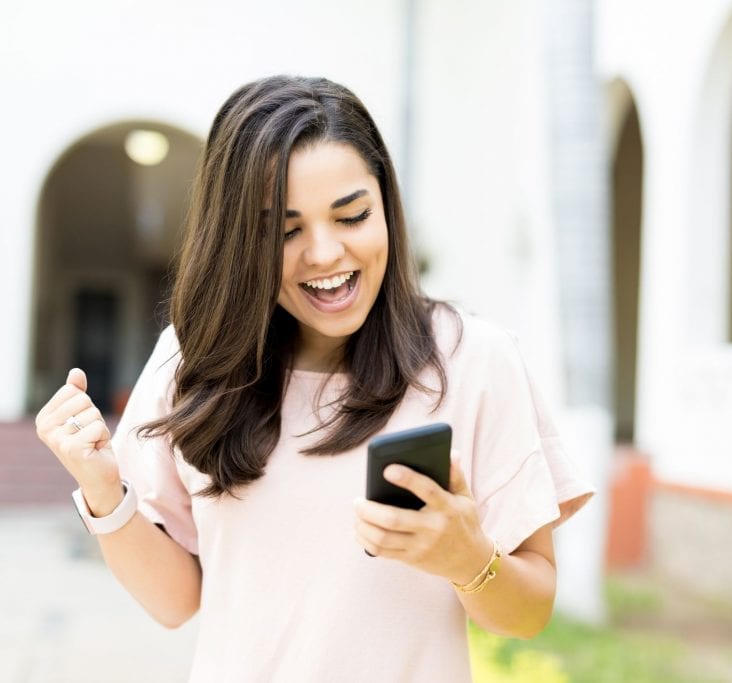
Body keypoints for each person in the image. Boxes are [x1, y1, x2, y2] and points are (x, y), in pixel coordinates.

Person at [34, 75, 593, 682]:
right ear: (240, 239)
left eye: (352, 215)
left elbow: (529, 611)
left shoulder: (472, 359)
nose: (325, 253)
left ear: (386, 208)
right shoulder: (191, 360)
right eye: (285, 230)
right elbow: (176, 602)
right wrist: (101, 488)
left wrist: (468, 558)